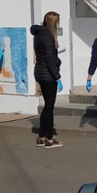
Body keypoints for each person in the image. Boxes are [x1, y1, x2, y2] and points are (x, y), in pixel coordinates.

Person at [32, 12, 63, 148]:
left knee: (47, 105)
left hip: (39, 71)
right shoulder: (49, 37)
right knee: (50, 106)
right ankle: (49, 138)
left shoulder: (38, 35)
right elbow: (50, 60)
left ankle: (41, 135)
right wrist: (58, 77)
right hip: (48, 74)